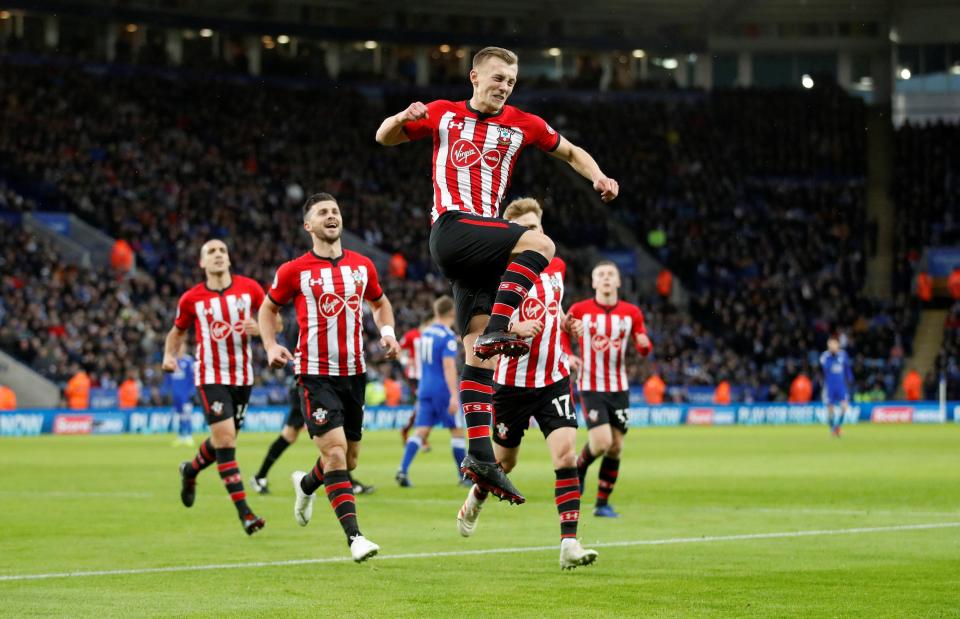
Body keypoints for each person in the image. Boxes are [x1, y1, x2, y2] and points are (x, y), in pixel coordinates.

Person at [376, 46, 619, 503]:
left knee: (477, 354)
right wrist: (399, 116)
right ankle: (502, 329)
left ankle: (481, 457)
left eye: (511, 79)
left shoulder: (523, 123)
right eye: (497, 77)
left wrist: (599, 176)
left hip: (482, 250)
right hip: (451, 226)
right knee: (541, 244)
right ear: (474, 76)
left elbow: (569, 151)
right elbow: (384, 137)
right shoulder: (443, 114)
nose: (504, 85)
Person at [456, 198, 598, 569]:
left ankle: (569, 543)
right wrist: (513, 328)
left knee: (566, 455)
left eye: (538, 227)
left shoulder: (556, 266)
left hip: (554, 378)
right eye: (527, 230)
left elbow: (555, 307)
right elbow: (480, 330)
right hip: (511, 384)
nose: (536, 235)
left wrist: (567, 323)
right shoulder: (496, 274)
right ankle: (476, 497)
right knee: (504, 462)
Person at [259, 192, 401, 563]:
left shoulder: (362, 266)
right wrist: (271, 345)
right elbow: (268, 307)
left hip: (354, 374)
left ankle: (306, 485)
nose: (331, 216)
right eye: (322, 212)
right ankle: (355, 538)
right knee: (335, 454)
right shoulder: (294, 270)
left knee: (348, 460)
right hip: (314, 374)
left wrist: (387, 332)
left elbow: (380, 302)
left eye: (335, 211)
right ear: (309, 226)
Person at [162, 239, 266, 535]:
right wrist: (169, 356)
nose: (218, 255)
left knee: (223, 440)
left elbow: (275, 321)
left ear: (229, 259)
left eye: (222, 251)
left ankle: (190, 470)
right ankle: (245, 513)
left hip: (243, 378)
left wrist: (261, 329)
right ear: (202, 263)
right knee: (226, 440)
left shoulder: (251, 289)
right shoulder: (192, 298)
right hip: (210, 375)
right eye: (211, 252)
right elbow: (177, 331)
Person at [565, 261, 652, 518]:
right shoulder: (580, 309)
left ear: (618, 282)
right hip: (591, 385)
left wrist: (645, 344)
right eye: (600, 274)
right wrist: (569, 355)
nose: (605, 278)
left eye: (610, 274)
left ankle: (602, 504)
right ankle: (579, 468)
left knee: (616, 447)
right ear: (593, 282)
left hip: (619, 387)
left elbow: (642, 343)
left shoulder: (631, 312)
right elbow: (562, 334)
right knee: (602, 442)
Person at [396, 295, 466, 487]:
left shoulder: (425, 333)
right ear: (452, 312)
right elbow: (448, 366)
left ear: (436, 312)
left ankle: (402, 469)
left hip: (425, 387)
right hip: (442, 388)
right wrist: (453, 394)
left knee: (421, 431)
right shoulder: (447, 336)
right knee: (458, 431)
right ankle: (464, 476)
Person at [819, 336, 854, 438]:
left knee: (844, 407)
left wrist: (850, 378)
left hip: (841, 386)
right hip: (830, 386)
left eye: (834, 344)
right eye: (830, 345)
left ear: (838, 344)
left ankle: (837, 427)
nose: (832, 346)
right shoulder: (825, 356)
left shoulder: (843, 355)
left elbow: (847, 368)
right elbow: (826, 369)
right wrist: (833, 357)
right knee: (830, 410)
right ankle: (832, 429)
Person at [164, 341, 196, 447]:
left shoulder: (188, 361)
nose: (180, 349)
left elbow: (193, 378)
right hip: (175, 394)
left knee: (187, 414)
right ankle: (181, 436)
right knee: (180, 415)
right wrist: (168, 390)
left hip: (186, 394)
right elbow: (168, 377)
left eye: (182, 347)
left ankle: (189, 436)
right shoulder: (172, 361)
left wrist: (192, 391)